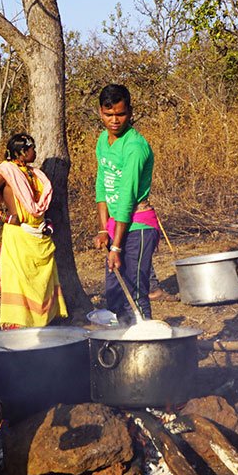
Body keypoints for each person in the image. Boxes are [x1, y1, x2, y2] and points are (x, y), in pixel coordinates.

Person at [0, 134, 67, 328]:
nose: (36, 151)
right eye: (32, 148)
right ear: (22, 152)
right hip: (19, 237)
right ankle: (21, 328)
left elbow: (37, 205)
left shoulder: (35, 173)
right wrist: (4, 217)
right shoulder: (6, 172)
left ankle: (43, 324)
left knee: (42, 283)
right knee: (20, 282)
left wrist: (47, 221)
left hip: (39, 236)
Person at [94, 84, 158, 322]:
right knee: (115, 294)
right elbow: (102, 184)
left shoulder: (135, 147)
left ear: (130, 112)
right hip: (115, 226)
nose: (114, 120)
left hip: (138, 227)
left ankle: (147, 348)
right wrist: (103, 229)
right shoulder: (103, 140)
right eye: (108, 114)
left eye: (120, 114)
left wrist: (116, 247)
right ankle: (122, 346)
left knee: (136, 292)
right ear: (100, 112)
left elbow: (126, 198)